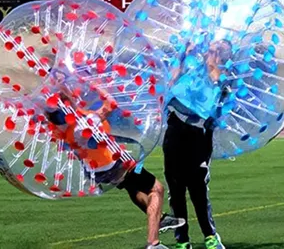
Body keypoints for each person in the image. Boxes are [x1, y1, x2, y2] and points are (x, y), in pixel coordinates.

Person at [44, 81, 185, 249]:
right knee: (157, 189)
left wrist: (63, 95)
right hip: (114, 165)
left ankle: (159, 219)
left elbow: (64, 111)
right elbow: (110, 104)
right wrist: (94, 84)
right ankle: (153, 243)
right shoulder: (84, 123)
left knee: (133, 188)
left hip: (97, 170)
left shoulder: (61, 129)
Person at [162, 39, 230, 249]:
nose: (208, 52)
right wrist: (183, 54)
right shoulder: (192, 68)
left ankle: (210, 236)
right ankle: (182, 239)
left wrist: (213, 64)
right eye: (210, 48)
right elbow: (172, 84)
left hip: (198, 134)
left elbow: (215, 101)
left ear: (222, 56)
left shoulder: (224, 78)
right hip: (175, 128)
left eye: (215, 50)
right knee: (176, 188)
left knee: (198, 187)